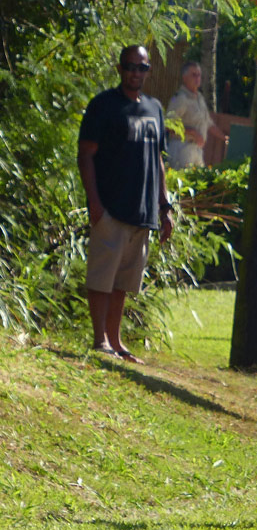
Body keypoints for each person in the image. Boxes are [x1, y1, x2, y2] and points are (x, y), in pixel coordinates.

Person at [78, 45, 173, 364]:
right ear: (120, 69)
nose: (136, 72)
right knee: (102, 277)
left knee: (123, 281)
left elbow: (159, 160)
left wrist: (165, 205)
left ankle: (115, 341)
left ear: (148, 71)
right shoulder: (103, 105)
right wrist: (95, 204)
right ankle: (99, 338)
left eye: (142, 68)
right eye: (130, 67)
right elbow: (86, 155)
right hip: (110, 207)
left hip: (142, 212)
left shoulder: (154, 108)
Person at [166, 61, 227, 169]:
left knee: (198, 183)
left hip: (197, 150)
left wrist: (224, 138)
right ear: (184, 78)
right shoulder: (180, 98)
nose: (197, 78)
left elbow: (208, 123)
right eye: (193, 75)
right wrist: (193, 133)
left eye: (199, 75)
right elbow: (169, 125)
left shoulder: (199, 98)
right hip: (182, 147)